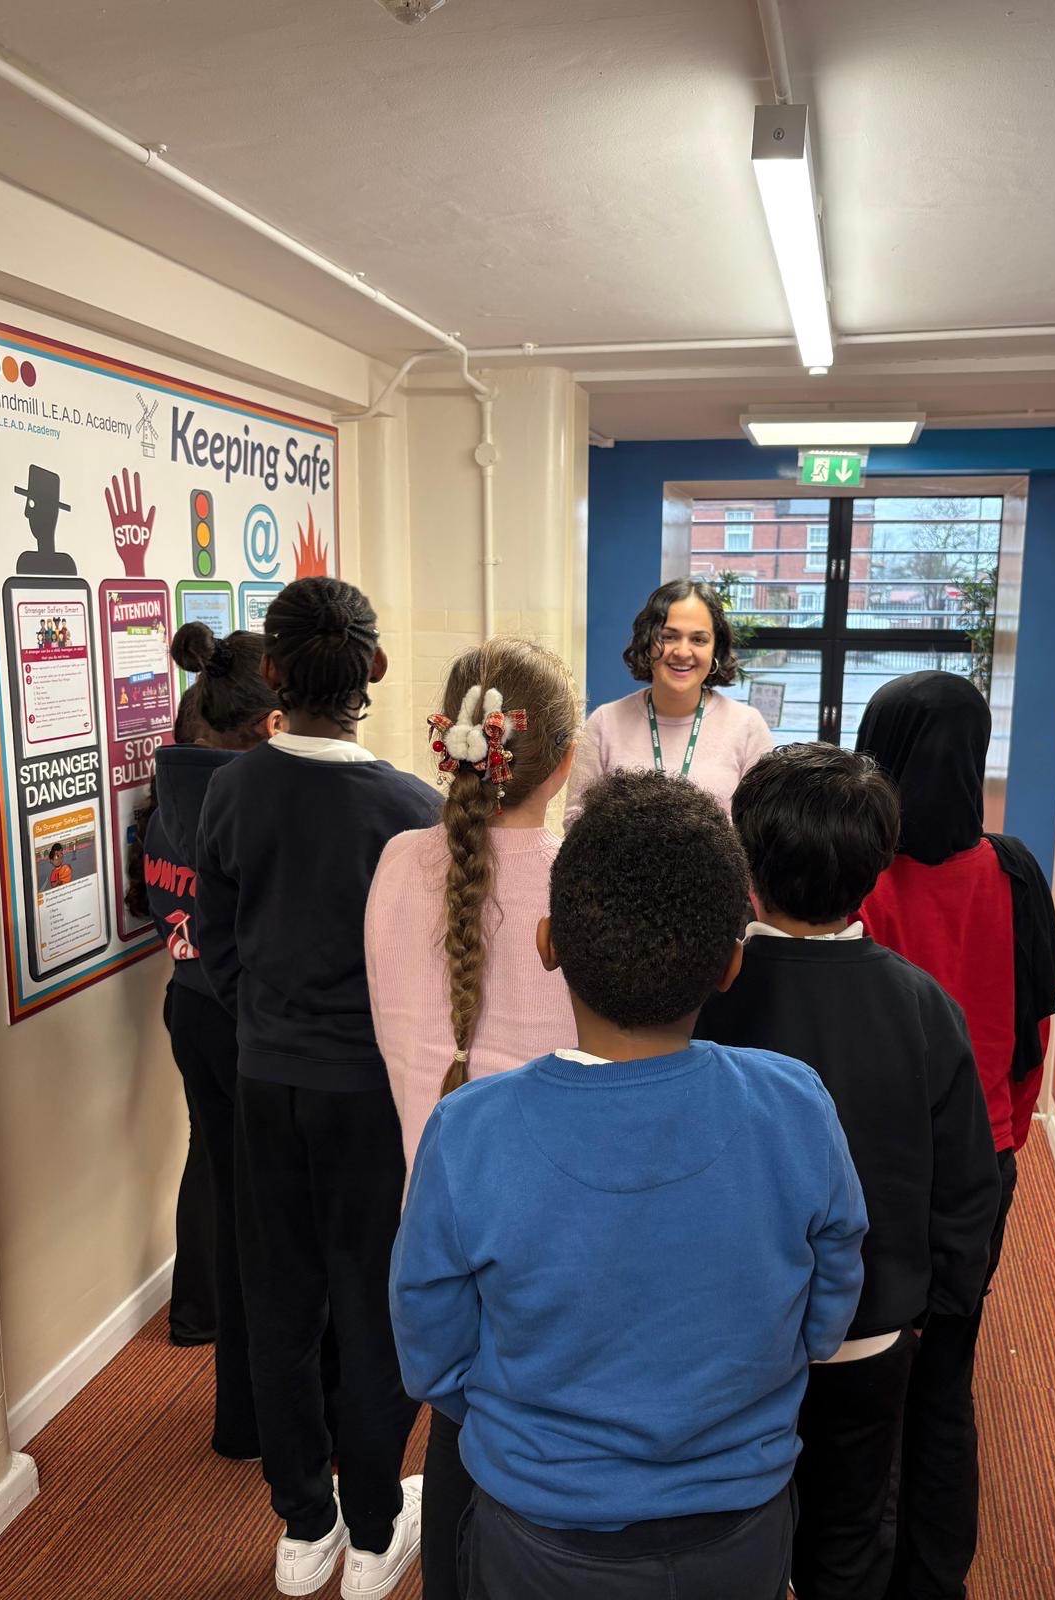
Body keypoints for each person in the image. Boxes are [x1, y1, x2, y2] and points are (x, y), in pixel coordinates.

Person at [391, 770, 867, 1600]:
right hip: (743, 1524)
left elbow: (432, 1352)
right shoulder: (795, 1104)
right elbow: (829, 1304)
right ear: (731, 964)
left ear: (548, 944)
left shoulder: (469, 1131)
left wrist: (524, 1419)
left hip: (539, 1532)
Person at [697, 743, 1001, 1600]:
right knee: (851, 1534)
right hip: (872, 1334)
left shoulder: (702, 997)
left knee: (731, 1528)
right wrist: (932, 1310)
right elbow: (967, 1191)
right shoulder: (924, 1005)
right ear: (875, 872)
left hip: (726, 1336)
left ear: (746, 864)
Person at [196, 576, 440, 1600]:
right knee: (372, 1306)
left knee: (279, 1301)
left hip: (265, 1079)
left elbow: (216, 943)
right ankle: (375, 1529)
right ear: (373, 668)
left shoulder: (231, 789)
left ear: (274, 672)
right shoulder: (411, 809)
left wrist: (269, 1021)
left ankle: (305, 1524)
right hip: (369, 1098)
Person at [365, 637, 581, 1600]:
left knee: (459, 1420)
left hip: (436, 1196)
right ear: (563, 764)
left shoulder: (397, 864)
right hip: (561, 1216)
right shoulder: (579, 881)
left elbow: (391, 1026)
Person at [854, 671, 1055, 1600]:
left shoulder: (855, 876)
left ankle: (851, 1565)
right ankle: (936, 1580)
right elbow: (1032, 1035)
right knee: (947, 1374)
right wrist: (1004, 1135)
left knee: (860, 1378)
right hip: (984, 1161)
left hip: (873, 1166)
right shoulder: (1015, 873)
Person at [146, 626, 282, 1457]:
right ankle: (252, 1402)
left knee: (216, 1168)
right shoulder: (242, 808)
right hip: (240, 1018)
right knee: (264, 1216)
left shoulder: (169, 797)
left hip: (187, 1005)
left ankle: (197, 1315)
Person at [126, 685, 218, 1350]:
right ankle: (204, 1310)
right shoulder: (220, 820)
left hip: (186, 1000)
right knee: (227, 1163)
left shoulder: (166, 816)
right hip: (222, 1009)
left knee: (207, 1155)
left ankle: (195, 1311)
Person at [563, 578, 773, 826]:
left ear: (715, 649)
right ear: (648, 643)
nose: (683, 652)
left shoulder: (747, 727)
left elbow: (761, 828)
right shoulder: (605, 722)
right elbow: (575, 819)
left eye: (699, 640)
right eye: (669, 636)